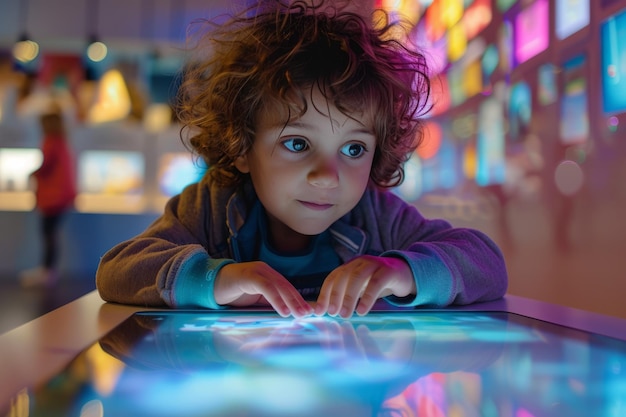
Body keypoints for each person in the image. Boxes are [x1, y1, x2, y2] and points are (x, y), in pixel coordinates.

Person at [96, 0, 508, 318]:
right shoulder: (210, 206)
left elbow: (486, 264)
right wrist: (213, 278)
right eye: (297, 143)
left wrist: (402, 272)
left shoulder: (376, 214)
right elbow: (117, 269)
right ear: (242, 146)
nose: (328, 176)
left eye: (353, 149)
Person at [20, 107, 77, 287]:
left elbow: (45, 166)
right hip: (61, 198)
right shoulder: (62, 142)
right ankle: (48, 270)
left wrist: (32, 174)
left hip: (53, 198)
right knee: (50, 234)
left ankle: (47, 270)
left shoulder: (51, 142)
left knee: (48, 234)